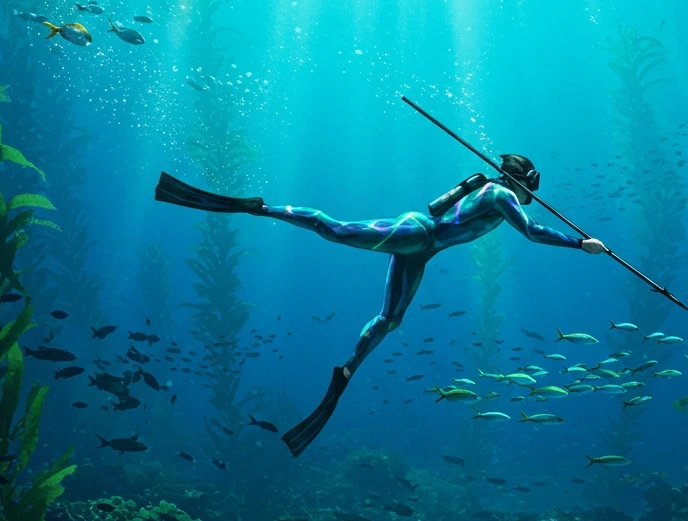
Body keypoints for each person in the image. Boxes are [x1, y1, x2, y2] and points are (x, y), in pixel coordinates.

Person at [155, 156, 606, 456]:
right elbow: (532, 231)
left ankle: (347, 370)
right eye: (533, 186)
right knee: (336, 230)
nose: (533, 194)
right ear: (525, 180)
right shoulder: (501, 194)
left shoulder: (491, 190)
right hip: (418, 233)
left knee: (391, 319)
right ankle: (259, 207)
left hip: (423, 250)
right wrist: (579, 243)